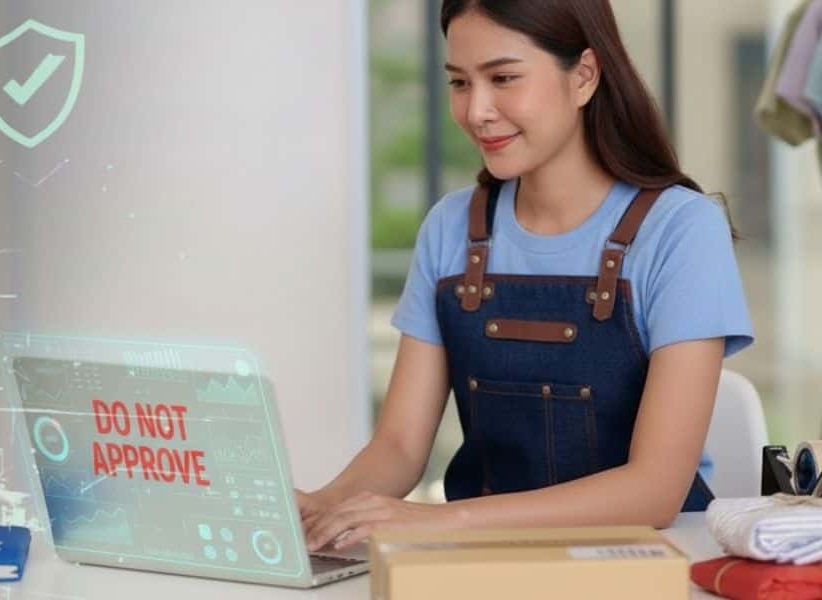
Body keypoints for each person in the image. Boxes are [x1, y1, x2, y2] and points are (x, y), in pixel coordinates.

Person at [298, 0, 755, 552]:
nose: (477, 111)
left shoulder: (681, 228)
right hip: (485, 563)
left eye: (504, 78)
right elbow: (398, 446)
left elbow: (655, 490)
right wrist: (320, 509)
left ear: (583, 76)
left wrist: (440, 520)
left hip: (646, 565)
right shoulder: (451, 226)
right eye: (460, 83)